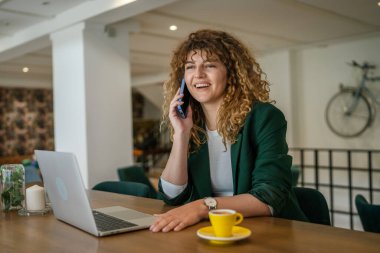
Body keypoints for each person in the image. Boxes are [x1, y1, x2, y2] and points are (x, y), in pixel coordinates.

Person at [150, 29, 307, 233]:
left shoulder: (264, 117)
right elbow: (171, 195)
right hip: (212, 232)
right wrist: (181, 134)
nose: (198, 74)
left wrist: (201, 207)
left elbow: (270, 195)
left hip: (268, 231)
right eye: (190, 67)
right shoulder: (192, 124)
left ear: (231, 72)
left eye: (210, 65)